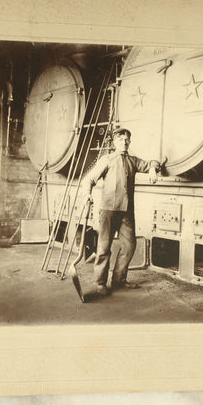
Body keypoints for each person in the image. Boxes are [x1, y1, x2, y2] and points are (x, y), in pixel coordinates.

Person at [85, 127, 161, 296]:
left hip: (126, 211)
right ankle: (100, 283)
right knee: (104, 246)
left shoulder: (133, 161)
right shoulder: (107, 159)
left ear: (130, 142)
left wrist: (152, 169)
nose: (124, 143)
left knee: (129, 245)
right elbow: (89, 179)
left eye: (127, 140)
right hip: (109, 210)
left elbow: (153, 163)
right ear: (114, 142)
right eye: (121, 140)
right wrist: (87, 194)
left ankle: (119, 280)